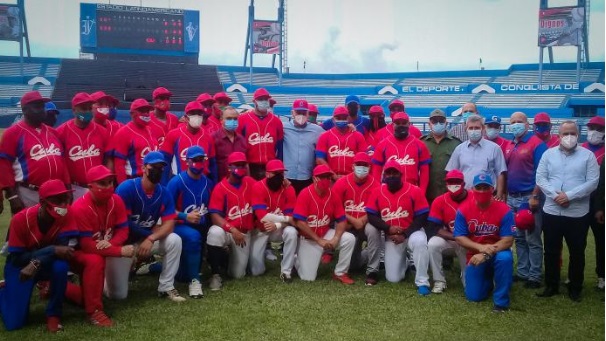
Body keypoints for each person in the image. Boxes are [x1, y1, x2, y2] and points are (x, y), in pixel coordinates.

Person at [0, 179, 78, 332]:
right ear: (42, 202)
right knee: (14, 323)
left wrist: (36, 261)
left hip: (41, 265)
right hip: (20, 267)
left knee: (61, 267)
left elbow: (62, 252)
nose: (62, 205)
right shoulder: (20, 219)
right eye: (57, 200)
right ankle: (3, 292)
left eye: (64, 199)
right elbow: (17, 259)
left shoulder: (67, 214)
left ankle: (54, 314)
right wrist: (51, 250)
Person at [536, 121, 599, 302]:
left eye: (572, 133)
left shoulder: (588, 156)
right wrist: (555, 195)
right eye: (565, 133)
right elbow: (541, 177)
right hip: (552, 210)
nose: (569, 137)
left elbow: (592, 182)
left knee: (577, 251)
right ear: (559, 135)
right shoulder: (548, 154)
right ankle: (551, 285)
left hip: (577, 213)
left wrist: (569, 196)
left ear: (578, 135)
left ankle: (575, 287)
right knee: (551, 250)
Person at [66, 165, 133, 327]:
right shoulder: (80, 207)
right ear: (90, 187)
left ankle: (58, 288)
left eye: (111, 182)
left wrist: (111, 243)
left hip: (104, 247)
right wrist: (119, 250)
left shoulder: (116, 200)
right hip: (74, 254)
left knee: (118, 295)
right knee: (94, 260)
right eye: (103, 183)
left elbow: (123, 229)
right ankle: (94, 312)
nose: (109, 186)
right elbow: (87, 245)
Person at [113, 151, 185, 302]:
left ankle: (166, 287)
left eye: (161, 168)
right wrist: (148, 234)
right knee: (116, 295)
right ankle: (118, 273)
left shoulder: (164, 193)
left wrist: (151, 237)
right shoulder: (126, 188)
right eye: (154, 167)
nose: (157, 171)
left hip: (145, 240)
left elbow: (169, 224)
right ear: (144, 167)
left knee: (174, 239)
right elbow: (123, 224)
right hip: (122, 243)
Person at [365, 160, 431, 294]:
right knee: (393, 278)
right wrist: (387, 228)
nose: (391, 176)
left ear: (401, 174)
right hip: (392, 237)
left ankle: (422, 282)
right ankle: (406, 264)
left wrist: (405, 234)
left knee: (419, 241)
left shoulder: (414, 190)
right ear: (384, 175)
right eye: (388, 173)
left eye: (394, 173)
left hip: (412, 232)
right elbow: (371, 215)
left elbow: (422, 216)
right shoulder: (377, 191)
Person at [0, 91, 70, 214]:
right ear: (25, 110)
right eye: (37, 107)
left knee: (56, 230)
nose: (43, 110)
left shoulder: (53, 132)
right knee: (27, 230)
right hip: (28, 192)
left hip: (56, 193)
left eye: (43, 106)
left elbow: (62, 163)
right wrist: (12, 197)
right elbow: (4, 166)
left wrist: (67, 187)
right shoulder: (13, 133)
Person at [453, 173, 515, 313]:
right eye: (478, 188)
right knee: (474, 297)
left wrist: (486, 254)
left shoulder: (504, 209)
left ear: (492, 189)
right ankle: (490, 279)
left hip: (499, 251)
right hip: (475, 254)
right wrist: (481, 248)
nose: (482, 191)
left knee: (505, 258)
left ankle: (501, 302)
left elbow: (508, 240)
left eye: (485, 187)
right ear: (472, 189)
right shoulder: (463, 209)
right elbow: (459, 237)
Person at [503, 111, 547, 289]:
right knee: (519, 237)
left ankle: (535, 275)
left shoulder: (537, 144)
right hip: (511, 198)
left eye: (519, 121)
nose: (515, 124)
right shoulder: (509, 144)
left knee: (533, 238)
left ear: (527, 125)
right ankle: (522, 272)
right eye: (512, 121)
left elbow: (542, 173)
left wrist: (535, 195)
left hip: (529, 197)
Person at [292, 164, 356, 284]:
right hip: (308, 238)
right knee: (308, 278)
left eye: (328, 177)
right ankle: (296, 259)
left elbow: (342, 220)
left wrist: (336, 238)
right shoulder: (305, 193)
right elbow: (300, 222)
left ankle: (340, 272)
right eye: (323, 177)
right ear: (314, 178)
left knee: (349, 238)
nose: (326, 180)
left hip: (325, 233)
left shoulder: (333, 195)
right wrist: (318, 240)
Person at [166, 146, 214, 298]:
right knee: (193, 237)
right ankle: (195, 281)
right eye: (195, 160)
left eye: (202, 160)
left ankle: (156, 267)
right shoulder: (176, 182)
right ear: (187, 162)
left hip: (202, 226)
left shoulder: (208, 182)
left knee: (182, 274)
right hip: (180, 225)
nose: (199, 163)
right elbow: (165, 212)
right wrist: (184, 216)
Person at [206, 152, 258, 290]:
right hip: (229, 231)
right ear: (229, 167)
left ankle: (224, 257)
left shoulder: (250, 182)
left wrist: (284, 181)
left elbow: (266, 188)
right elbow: (215, 216)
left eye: (243, 165)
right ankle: (215, 274)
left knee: (238, 275)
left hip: (244, 234)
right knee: (214, 232)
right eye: (237, 165)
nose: (241, 168)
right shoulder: (220, 188)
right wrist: (232, 229)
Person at [332, 152, 381, 285]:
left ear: (370, 167)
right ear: (353, 166)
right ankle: (366, 254)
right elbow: (335, 207)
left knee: (373, 230)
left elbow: (378, 208)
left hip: (366, 224)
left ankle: (373, 270)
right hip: (347, 223)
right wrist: (353, 221)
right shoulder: (341, 182)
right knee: (354, 266)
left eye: (365, 165)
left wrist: (362, 221)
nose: (362, 168)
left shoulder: (376, 184)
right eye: (359, 164)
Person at [55, 92, 110, 199]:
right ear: (74, 110)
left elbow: (107, 160)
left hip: (98, 185)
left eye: (90, 108)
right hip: (75, 187)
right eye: (83, 109)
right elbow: (61, 164)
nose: (87, 112)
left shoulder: (102, 132)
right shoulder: (61, 132)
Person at [251, 159, 298, 281]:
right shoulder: (258, 187)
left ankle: (286, 271)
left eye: (281, 173)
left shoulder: (289, 188)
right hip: (261, 229)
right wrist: (287, 219)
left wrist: (277, 225)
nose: (278, 176)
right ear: (267, 174)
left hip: (278, 229)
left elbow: (290, 216)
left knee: (291, 232)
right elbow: (262, 217)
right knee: (256, 271)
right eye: (275, 173)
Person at [426, 170, 471, 293]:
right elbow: (434, 227)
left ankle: (467, 279)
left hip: (471, 240)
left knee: (463, 245)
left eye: (457, 182)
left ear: (464, 183)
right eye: (450, 182)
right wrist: (455, 237)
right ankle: (439, 281)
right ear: (446, 184)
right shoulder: (439, 200)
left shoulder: (474, 197)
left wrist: (464, 239)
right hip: (450, 238)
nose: (453, 184)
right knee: (432, 244)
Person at [445, 114, 507, 200]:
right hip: (464, 196)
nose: (473, 130)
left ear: (483, 129)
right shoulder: (459, 149)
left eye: (477, 128)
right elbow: (451, 172)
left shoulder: (495, 148)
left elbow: (500, 173)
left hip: (488, 195)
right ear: (466, 129)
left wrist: (499, 194)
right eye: (471, 128)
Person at [371, 112, 431, 193]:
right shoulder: (383, 144)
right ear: (393, 125)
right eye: (398, 123)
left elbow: (424, 171)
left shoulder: (419, 144)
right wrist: (378, 190)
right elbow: (376, 171)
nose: (401, 125)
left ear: (409, 124)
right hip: (389, 190)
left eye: (404, 123)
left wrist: (422, 191)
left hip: (412, 189)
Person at [161, 100, 217, 183]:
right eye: (193, 113)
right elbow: (165, 161)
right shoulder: (173, 134)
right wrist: (164, 185)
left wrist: (213, 184)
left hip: (202, 181)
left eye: (199, 113)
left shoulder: (208, 137)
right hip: (180, 181)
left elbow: (212, 165)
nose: (196, 116)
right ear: (186, 117)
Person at [237, 88, 284, 180]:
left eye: (266, 99)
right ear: (254, 101)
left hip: (270, 165)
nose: (263, 101)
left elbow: (280, 147)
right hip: (250, 165)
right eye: (260, 99)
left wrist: (278, 165)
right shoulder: (243, 119)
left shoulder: (276, 121)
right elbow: (239, 145)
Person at [111, 98, 159, 184]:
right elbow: (119, 165)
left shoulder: (151, 130)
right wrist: (122, 187)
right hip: (133, 180)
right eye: (142, 111)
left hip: (153, 179)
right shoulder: (123, 132)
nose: (146, 114)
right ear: (132, 113)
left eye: (147, 111)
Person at [581, 115, 605, 289]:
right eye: (591, 128)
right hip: (579, 202)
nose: (594, 132)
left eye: (599, 129)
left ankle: (602, 276)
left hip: (598, 203)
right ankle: (575, 275)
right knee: (577, 241)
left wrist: (601, 207)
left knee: (601, 242)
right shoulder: (580, 148)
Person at [283, 99, 325, 194]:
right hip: (287, 177)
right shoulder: (283, 127)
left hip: (307, 177)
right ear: (292, 113)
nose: (301, 115)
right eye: (298, 112)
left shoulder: (317, 130)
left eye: (304, 112)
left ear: (308, 113)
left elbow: (332, 134)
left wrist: (349, 126)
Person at [421, 109, 461, 203]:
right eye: (434, 121)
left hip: (450, 193)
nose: (438, 123)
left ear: (446, 123)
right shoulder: (422, 143)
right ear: (429, 123)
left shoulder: (456, 143)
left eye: (441, 120)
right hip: (427, 194)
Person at [316, 105, 368, 178]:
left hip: (353, 178)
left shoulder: (358, 136)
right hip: (331, 177)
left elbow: (363, 158)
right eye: (338, 118)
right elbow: (319, 159)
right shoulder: (324, 136)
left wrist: (353, 177)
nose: (341, 120)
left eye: (344, 117)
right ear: (333, 119)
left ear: (349, 118)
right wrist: (333, 175)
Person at [213, 106, 248, 181]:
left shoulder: (242, 139)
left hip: (240, 182)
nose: (232, 121)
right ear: (221, 120)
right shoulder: (213, 138)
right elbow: (211, 164)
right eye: (229, 118)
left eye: (235, 119)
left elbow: (246, 164)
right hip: (221, 182)